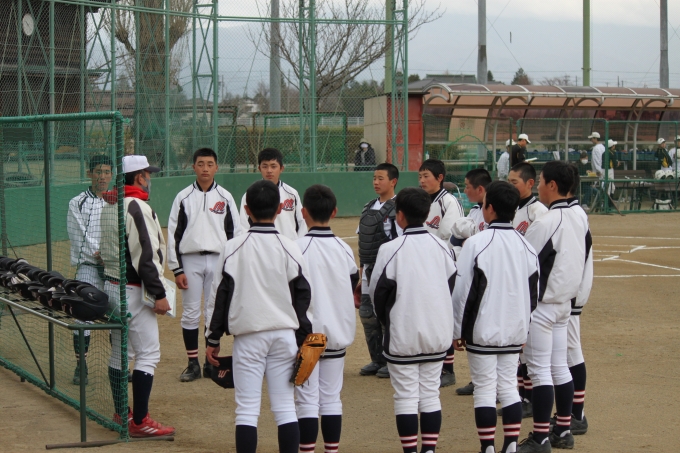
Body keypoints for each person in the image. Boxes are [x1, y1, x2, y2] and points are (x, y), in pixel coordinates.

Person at [206, 180, 312, 453]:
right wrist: (304, 338)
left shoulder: (232, 247)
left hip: (249, 337)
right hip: (284, 336)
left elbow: (219, 297)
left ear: (246, 210)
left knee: (247, 410)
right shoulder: (291, 246)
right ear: (279, 210)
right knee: (285, 407)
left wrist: (212, 338)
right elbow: (303, 296)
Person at [452, 181, 539, 453]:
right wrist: (524, 329)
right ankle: (510, 446)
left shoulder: (476, 243)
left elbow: (463, 292)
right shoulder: (527, 246)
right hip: (514, 329)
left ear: (488, 208)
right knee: (510, 388)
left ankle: (488, 448)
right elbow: (533, 295)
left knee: (485, 390)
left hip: (483, 330)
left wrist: (457, 330)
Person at [369, 187, 457, 453]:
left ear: (400, 216)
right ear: (427, 214)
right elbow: (451, 286)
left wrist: (388, 320)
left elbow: (377, 294)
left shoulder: (390, 249)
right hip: (436, 332)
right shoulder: (443, 247)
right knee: (430, 394)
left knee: (406, 396)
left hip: (403, 332)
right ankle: (428, 450)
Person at [99, 155, 175, 437]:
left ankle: (122, 412)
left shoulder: (110, 204)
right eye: (147, 174)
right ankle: (140, 421)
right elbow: (145, 256)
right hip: (133, 289)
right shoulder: (136, 206)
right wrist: (158, 293)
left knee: (121, 352)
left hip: (112, 286)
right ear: (139, 177)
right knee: (148, 354)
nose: (149, 179)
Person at [517, 161, 589, 452]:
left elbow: (525, 262)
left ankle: (541, 438)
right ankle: (562, 430)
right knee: (560, 367)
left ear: (552, 185)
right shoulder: (579, 214)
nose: (539, 186)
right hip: (564, 304)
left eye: (541, 181)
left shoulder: (547, 221)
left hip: (543, 306)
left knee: (540, 372)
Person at [167, 148, 242, 383]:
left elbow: (235, 233)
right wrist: (177, 269)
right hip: (190, 259)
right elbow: (174, 234)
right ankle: (193, 363)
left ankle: (211, 363)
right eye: (201, 164)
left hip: (218, 260)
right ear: (194, 167)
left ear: (216, 167)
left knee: (213, 311)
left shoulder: (225, 197)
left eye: (210, 164)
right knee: (190, 312)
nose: (205, 168)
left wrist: (232, 265)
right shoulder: (183, 197)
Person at [295, 185, 359, 453]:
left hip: (309, 337)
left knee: (307, 401)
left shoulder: (296, 247)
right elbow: (354, 282)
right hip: (336, 334)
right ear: (334, 212)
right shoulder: (344, 248)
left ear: (303, 213)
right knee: (331, 398)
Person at [67, 154, 112, 385]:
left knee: (119, 316)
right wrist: (101, 254)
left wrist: (111, 257)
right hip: (89, 267)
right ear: (89, 173)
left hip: (114, 269)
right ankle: (81, 366)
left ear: (111, 175)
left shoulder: (117, 201)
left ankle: (120, 365)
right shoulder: (77, 202)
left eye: (106, 172)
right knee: (82, 315)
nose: (102, 176)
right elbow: (78, 236)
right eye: (98, 172)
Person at [419, 159, 464, 387]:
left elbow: (450, 236)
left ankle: (448, 368)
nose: (422, 180)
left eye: (426, 176)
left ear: (440, 178)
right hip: (423, 266)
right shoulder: (420, 200)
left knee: (443, 314)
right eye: (420, 176)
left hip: (443, 266)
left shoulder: (448, 201)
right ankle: (431, 363)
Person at [356, 163, 402, 379]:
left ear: (393, 181)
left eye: (380, 178)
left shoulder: (398, 208)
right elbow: (364, 240)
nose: (376, 182)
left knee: (386, 315)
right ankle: (377, 359)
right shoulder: (368, 207)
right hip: (368, 268)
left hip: (386, 269)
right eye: (374, 178)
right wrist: (361, 268)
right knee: (367, 313)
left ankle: (391, 360)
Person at [449, 168, 493, 397]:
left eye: (467, 186)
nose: (465, 190)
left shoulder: (501, 211)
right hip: (476, 277)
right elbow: (456, 238)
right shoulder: (476, 212)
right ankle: (478, 380)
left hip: (492, 279)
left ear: (480, 189)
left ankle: (495, 384)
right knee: (475, 329)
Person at [239, 148, 307, 240]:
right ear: (259, 168)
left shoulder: (292, 193)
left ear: (281, 168)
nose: (269, 170)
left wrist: (297, 245)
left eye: (273, 166)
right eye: (265, 166)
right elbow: (243, 226)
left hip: (288, 246)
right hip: (259, 246)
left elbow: (302, 223)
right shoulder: (250, 194)